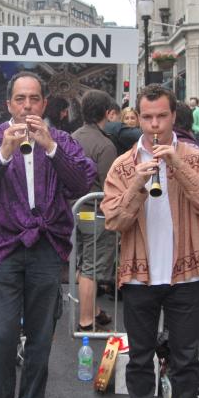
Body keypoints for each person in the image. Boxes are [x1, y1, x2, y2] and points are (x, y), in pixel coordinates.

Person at [0, 71, 95, 398]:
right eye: (20, 99)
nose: (27, 105)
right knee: (3, 333)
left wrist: (50, 147)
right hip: (4, 248)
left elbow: (83, 179)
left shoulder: (61, 139)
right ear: (9, 104)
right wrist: (4, 153)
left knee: (40, 334)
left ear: (44, 103)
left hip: (47, 249)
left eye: (34, 98)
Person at [102, 84, 199, 398]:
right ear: (138, 118)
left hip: (184, 275)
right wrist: (136, 187)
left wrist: (179, 166)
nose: (154, 124)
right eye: (147, 117)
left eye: (161, 116)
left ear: (173, 116)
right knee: (140, 358)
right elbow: (113, 221)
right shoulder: (123, 165)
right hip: (138, 276)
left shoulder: (195, 157)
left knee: (186, 360)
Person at [70, 90, 118, 332]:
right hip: (96, 214)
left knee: (82, 264)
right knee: (91, 268)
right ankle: (87, 320)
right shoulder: (105, 144)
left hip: (75, 212)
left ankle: (95, 312)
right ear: (107, 113)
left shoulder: (72, 137)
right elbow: (111, 184)